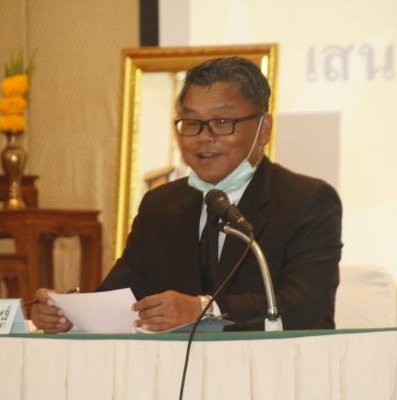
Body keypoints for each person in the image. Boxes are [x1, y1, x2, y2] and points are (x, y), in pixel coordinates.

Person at [31, 56, 342, 333]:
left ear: (263, 129)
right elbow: (121, 296)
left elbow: (305, 307)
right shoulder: (160, 205)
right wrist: (69, 314)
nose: (204, 137)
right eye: (192, 123)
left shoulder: (307, 201)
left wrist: (203, 310)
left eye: (222, 122)